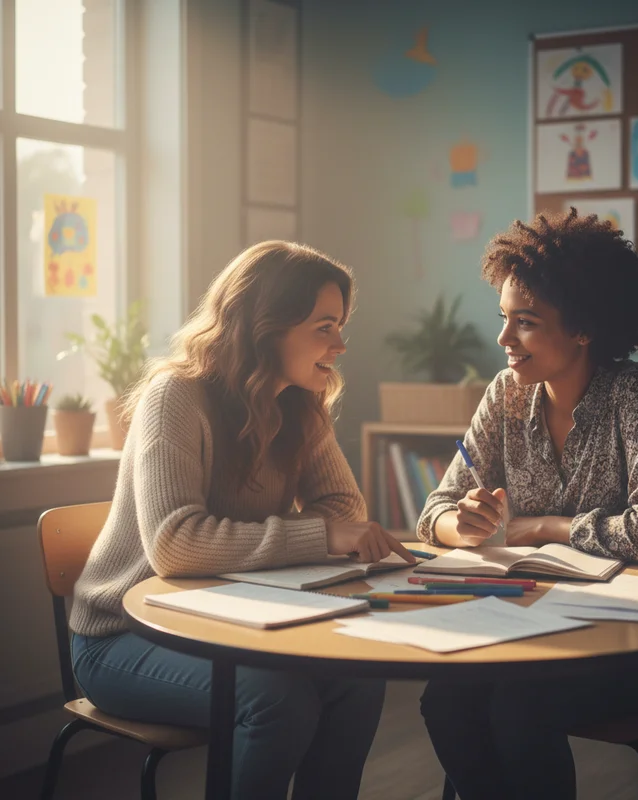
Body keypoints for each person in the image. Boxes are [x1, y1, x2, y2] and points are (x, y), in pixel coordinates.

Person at [70, 241, 415, 800]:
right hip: (123, 636)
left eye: (340, 325)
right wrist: (321, 534)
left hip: (228, 624)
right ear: (267, 325)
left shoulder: (301, 403)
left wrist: (330, 528)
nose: (341, 344)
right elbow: (174, 545)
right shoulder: (174, 396)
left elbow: (346, 509)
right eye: (324, 326)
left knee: (358, 677)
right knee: (278, 698)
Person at [417, 210, 638, 800]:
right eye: (504, 319)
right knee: (444, 698)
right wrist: (460, 527)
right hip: (528, 630)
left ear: (585, 328)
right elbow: (434, 507)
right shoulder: (506, 394)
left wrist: (542, 526)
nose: (503, 339)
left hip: (631, 643)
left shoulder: (637, 392)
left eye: (527, 322)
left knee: (518, 704)